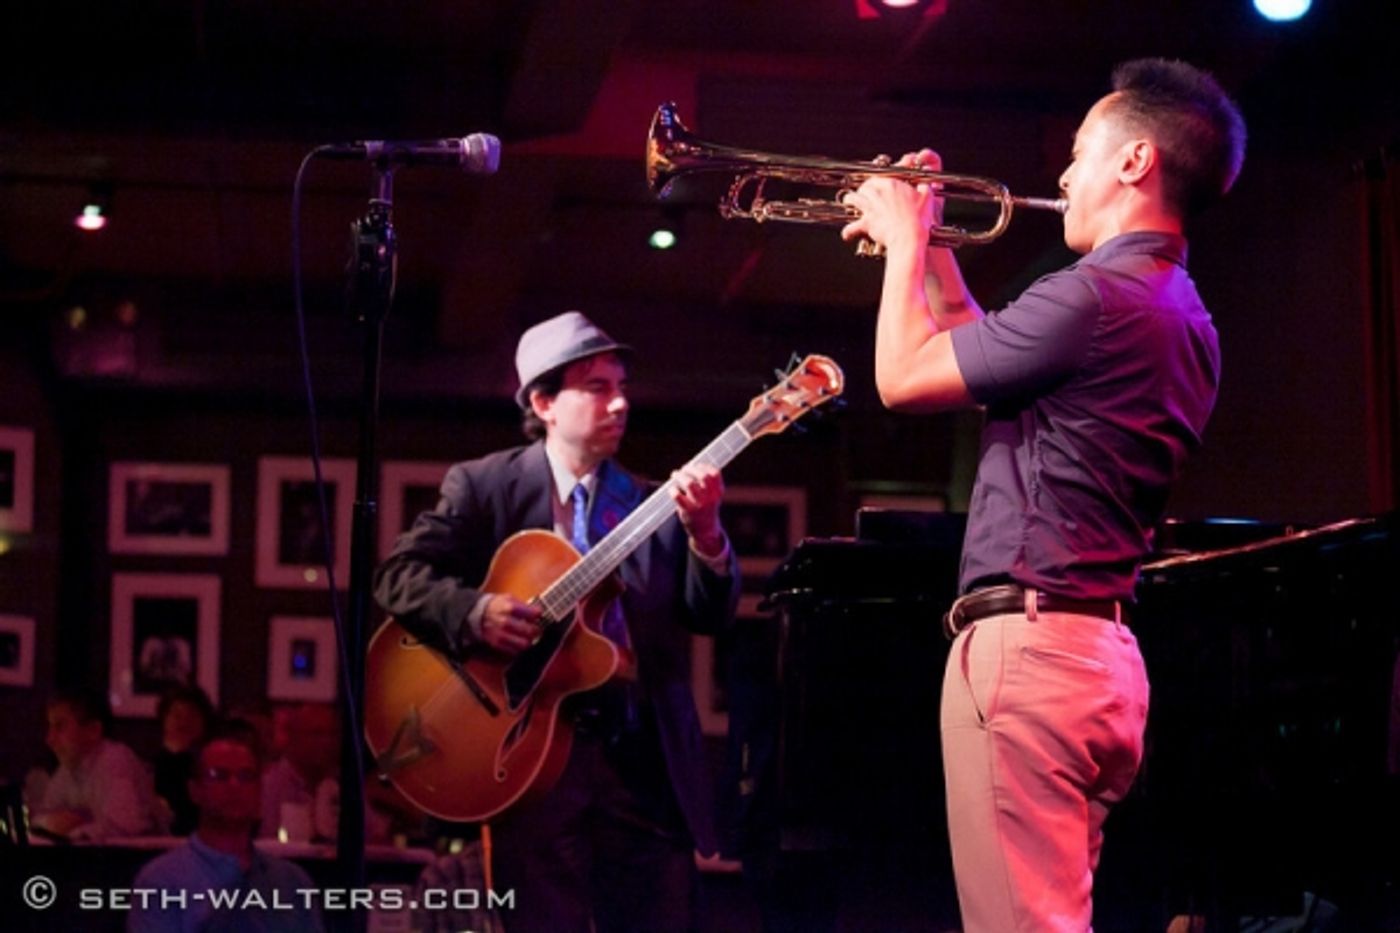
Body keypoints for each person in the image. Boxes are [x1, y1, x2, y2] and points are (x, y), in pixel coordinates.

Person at [839, 58, 1246, 931]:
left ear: (1134, 161)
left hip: (1028, 656)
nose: (1062, 177)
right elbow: (986, 356)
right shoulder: (1181, 312)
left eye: (1078, 152)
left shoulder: (1092, 296)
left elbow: (903, 379)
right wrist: (938, 252)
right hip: (1098, 661)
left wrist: (904, 239)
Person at [374, 310, 740, 932]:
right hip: (528, 763)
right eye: (597, 387)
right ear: (543, 401)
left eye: (622, 385)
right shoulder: (486, 486)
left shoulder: (652, 504)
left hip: (639, 764)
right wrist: (475, 612)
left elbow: (709, 614)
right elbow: (397, 576)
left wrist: (706, 534)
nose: (620, 402)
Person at [128, 725, 324, 932]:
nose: (234, 786)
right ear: (195, 790)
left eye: (246, 777)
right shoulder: (161, 881)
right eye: (219, 776)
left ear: (259, 789)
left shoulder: (292, 881)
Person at [32, 686, 165, 840]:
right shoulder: (67, 769)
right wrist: (49, 822)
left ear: (93, 731)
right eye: (50, 727)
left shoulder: (115, 760)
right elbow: (40, 818)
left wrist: (69, 831)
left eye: (60, 726)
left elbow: (122, 828)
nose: (49, 739)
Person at [153, 684, 217, 835]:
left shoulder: (211, 766)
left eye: (192, 715)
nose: (183, 722)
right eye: (176, 715)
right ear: (164, 719)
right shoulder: (151, 766)